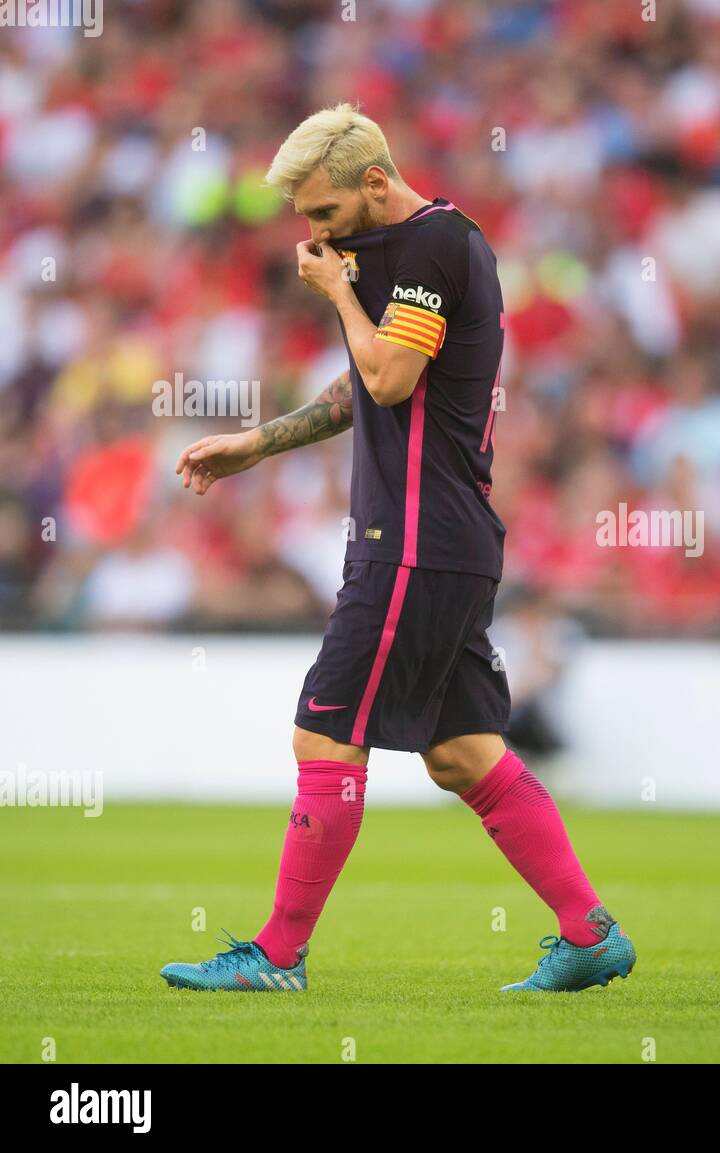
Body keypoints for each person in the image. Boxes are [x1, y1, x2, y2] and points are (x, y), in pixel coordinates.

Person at [160, 104, 635, 994]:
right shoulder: (418, 251)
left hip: (413, 539)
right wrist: (253, 445)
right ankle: (589, 931)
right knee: (462, 752)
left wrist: (337, 291)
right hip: (441, 538)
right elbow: (363, 388)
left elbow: (387, 376)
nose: (315, 234)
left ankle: (277, 954)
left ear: (375, 181)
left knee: (324, 735)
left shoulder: (432, 247)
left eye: (325, 213)